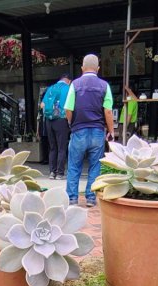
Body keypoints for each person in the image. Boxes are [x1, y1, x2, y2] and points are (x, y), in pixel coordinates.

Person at [65, 54, 114, 207]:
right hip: (98, 131)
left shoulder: (75, 84)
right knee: (95, 166)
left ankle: (72, 199)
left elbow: (68, 108)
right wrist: (111, 131)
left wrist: (71, 124)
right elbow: (108, 111)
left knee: (74, 165)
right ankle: (91, 198)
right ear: (98, 69)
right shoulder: (105, 86)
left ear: (82, 68)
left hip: (78, 130)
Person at [41, 74, 70, 179]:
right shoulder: (68, 88)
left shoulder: (50, 88)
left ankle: (52, 172)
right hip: (61, 119)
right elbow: (69, 106)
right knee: (62, 147)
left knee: (52, 147)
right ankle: (60, 173)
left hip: (49, 120)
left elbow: (42, 105)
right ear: (68, 80)